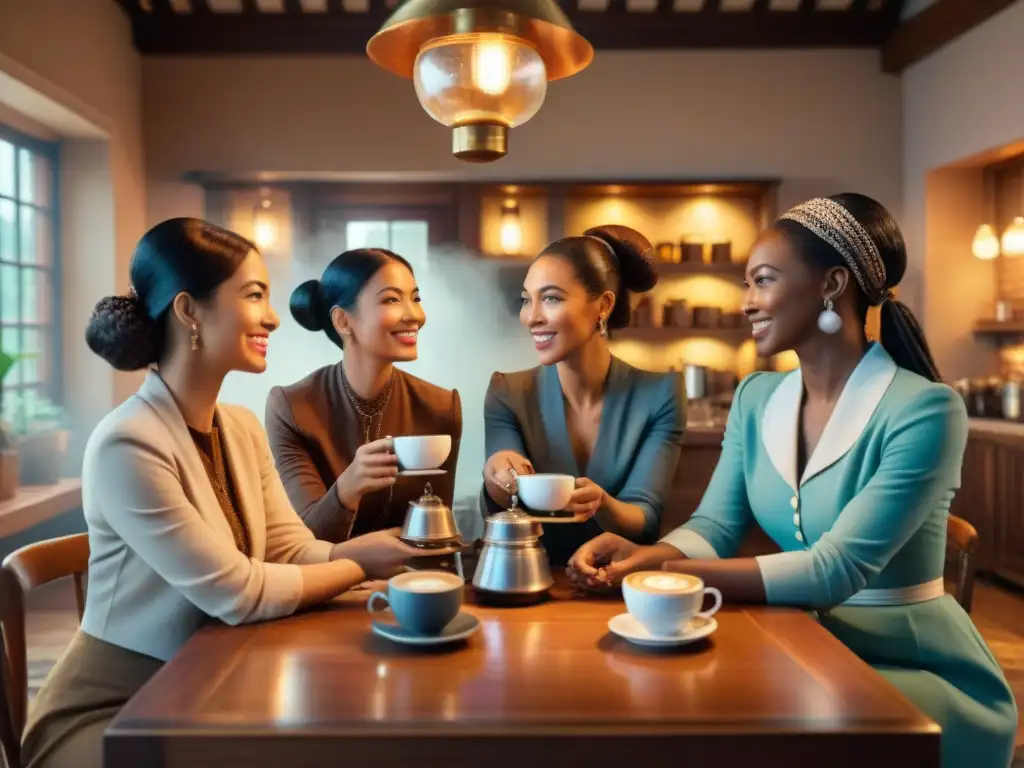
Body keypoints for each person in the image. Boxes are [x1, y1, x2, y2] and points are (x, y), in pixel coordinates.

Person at [568, 195, 1018, 768]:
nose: (746, 302)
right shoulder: (756, 399)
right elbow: (716, 524)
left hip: (909, 670)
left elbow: (836, 571)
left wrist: (662, 573)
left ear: (832, 284)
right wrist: (645, 552)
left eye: (762, 280)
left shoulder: (926, 410)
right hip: (800, 642)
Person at [22, 219, 422, 768]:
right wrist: (358, 564)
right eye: (254, 295)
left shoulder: (238, 427)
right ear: (189, 310)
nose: (273, 317)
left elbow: (289, 549)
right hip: (118, 714)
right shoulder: (126, 444)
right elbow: (238, 594)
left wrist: (369, 553)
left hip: (206, 689)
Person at [481, 225, 686, 566]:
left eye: (551, 298)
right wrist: (496, 472)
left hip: (618, 581)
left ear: (604, 305)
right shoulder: (507, 390)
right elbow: (504, 492)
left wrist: (602, 503)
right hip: (527, 576)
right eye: (526, 300)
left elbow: (646, 515)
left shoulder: (661, 394)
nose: (531, 317)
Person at [265, 248, 461, 544]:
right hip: (325, 584)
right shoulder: (292, 407)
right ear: (343, 321)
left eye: (416, 298)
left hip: (413, 582)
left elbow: (438, 531)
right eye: (392, 299)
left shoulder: (441, 407)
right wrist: (349, 486)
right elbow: (305, 543)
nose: (415, 315)